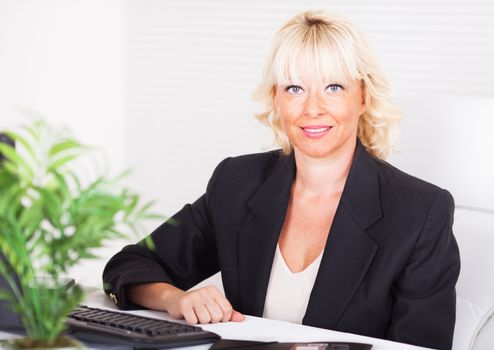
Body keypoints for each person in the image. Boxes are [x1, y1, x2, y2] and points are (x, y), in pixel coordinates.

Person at [103, 10, 460, 350]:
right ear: (276, 97)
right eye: (294, 88)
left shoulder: (420, 212)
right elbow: (128, 266)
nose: (312, 108)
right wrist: (175, 298)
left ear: (363, 96)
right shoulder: (236, 183)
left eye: (334, 87)